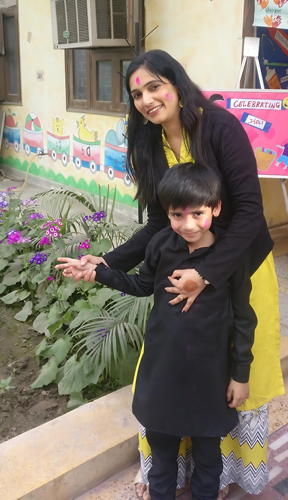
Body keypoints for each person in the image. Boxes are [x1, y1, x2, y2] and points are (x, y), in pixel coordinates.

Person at [56, 50, 284, 499]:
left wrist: (210, 275)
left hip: (239, 267)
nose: (146, 99)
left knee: (235, 368)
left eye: (154, 86)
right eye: (137, 93)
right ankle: (168, 475)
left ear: (177, 84)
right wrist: (107, 264)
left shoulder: (219, 128)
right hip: (183, 273)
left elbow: (249, 214)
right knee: (177, 363)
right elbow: (161, 224)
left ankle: (218, 475)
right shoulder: (149, 144)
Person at [61, 163, 257, 500]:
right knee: (162, 464)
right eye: (177, 215)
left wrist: (240, 375)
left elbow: (243, 318)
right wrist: (100, 271)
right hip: (162, 376)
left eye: (198, 213)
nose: (188, 224)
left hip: (210, 380)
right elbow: (141, 284)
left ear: (216, 208)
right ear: (166, 214)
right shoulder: (162, 246)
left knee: (209, 462)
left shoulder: (229, 258)